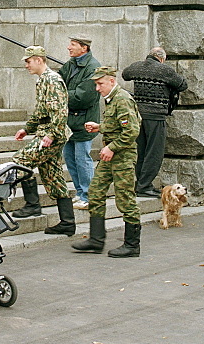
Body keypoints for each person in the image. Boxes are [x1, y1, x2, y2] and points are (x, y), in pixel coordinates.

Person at [72, 66, 142, 257]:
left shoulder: (122, 99)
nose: (97, 88)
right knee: (95, 191)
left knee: (125, 198)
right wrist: (100, 127)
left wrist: (112, 147)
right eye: (96, 84)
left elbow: (132, 131)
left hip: (122, 156)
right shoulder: (112, 99)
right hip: (110, 155)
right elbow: (118, 125)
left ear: (112, 81)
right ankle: (96, 240)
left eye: (100, 83)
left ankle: (132, 245)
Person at [11, 45, 75, 236]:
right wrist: (26, 128)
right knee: (53, 176)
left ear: (39, 60)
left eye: (28, 61)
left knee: (20, 161)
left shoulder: (52, 80)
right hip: (47, 131)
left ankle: (32, 205)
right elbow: (41, 112)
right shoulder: (43, 80)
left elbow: (60, 112)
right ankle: (67, 222)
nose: (26, 65)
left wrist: (52, 135)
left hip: (51, 134)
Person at [121, 46, 187, 197]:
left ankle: (140, 183)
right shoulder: (165, 70)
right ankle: (145, 185)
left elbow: (125, 74)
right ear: (162, 58)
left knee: (141, 150)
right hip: (156, 116)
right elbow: (182, 84)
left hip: (138, 115)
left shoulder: (137, 66)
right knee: (155, 152)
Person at [58, 37, 99, 209]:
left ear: (84, 48)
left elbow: (83, 97)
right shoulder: (71, 63)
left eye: (73, 45)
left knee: (82, 159)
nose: (69, 48)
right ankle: (80, 192)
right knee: (70, 158)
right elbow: (57, 81)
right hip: (69, 122)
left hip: (84, 121)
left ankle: (88, 195)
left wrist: (61, 95)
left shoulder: (92, 67)